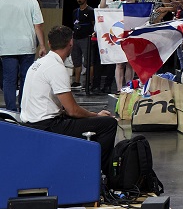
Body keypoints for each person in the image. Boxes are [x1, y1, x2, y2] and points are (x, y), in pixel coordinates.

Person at [20, 26, 117, 171]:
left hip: (31, 122)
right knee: (108, 124)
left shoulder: (39, 63)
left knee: (88, 121)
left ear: (49, 43)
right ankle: (98, 172)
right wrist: (96, 115)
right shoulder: (56, 68)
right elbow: (72, 111)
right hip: (46, 125)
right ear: (71, 43)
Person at [0, 0, 45, 110]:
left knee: (9, 80)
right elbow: (38, 25)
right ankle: (24, 108)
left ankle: (10, 111)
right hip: (27, 47)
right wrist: (42, 46)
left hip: (6, 47)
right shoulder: (32, 2)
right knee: (26, 79)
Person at [70, 0, 95, 89]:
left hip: (86, 38)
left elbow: (94, 24)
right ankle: (76, 82)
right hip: (76, 38)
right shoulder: (75, 11)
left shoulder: (90, 10)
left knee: (89, 61)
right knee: (76, 60)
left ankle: (88, 82)